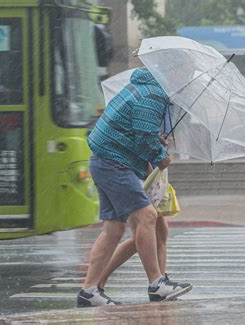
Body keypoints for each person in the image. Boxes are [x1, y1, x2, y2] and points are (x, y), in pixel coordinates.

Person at [76, 67, 192, 307]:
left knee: (114, 230)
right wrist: (160, 154)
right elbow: (143, 138)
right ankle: (156, 283)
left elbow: (140, 132)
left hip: (105, 160)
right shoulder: (153, 95)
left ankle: (89, 292)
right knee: (147, 216)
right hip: (113, 162)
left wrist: (155, 144)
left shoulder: (146, 89)